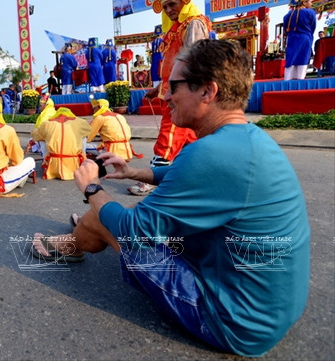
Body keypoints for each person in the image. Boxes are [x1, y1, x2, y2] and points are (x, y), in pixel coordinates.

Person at [31, 39, 309, 357]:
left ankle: (77, 240)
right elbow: (195, 180)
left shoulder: (209, 152)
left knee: (108, 218)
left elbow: (133, 229)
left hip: (234, 323)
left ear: (208, 91)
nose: (165, 94)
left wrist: (92, 189)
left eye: (173, 86)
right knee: (129, 212)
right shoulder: (248, 138)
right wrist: (136, 173)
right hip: (270, 309)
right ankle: (89, 232)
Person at [129, 0, 211, 196]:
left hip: (182, 93)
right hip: (173, 90)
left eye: (172, 4)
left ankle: (153, 179)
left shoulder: (193, 23)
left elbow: (194, 60)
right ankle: (195, 179)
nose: (169, 10)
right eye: (165, 7)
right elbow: (172, 63)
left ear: (184, 2)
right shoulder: (176, 29)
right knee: (189, 138)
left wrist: (185, 92)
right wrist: (158, 88)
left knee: (169, 136)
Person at [31, 107, 91, 180]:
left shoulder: (47, 123)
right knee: (84, 137)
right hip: (74, 165)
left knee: (41, 139)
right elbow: (89, 131)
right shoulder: (80, 122)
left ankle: (46, 161)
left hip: (54, 164)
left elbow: (35, 136)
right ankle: (82, 162)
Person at [283, 0, 317, 80]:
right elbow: (312, 27)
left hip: (292, 39)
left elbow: (286, 30)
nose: (311, 3)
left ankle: (287, 80)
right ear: (303, 2)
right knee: (303, 58)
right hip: (305, 38)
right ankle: (300, 79)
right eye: (309, 1)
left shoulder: (288, 15)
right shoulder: (310, 12)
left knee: (291, 58)